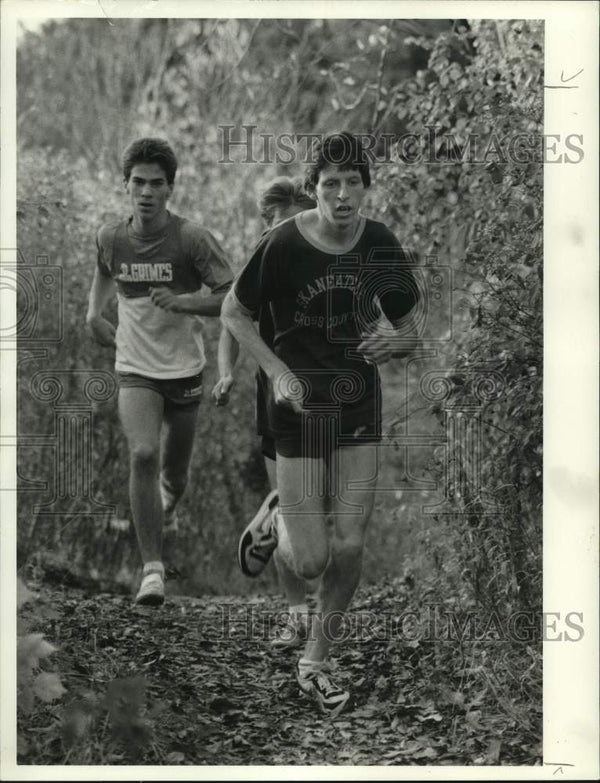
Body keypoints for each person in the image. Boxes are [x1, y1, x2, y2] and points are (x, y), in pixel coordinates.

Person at [221, 132, 421, 717]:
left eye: (352, 182)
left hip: (358, 405)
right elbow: (235, 312)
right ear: (314, 190)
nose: (341, 194)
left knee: (351, 544)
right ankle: (282, 513)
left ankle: (316, 663)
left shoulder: (380, 244)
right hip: (300, 410)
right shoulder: (282, 244)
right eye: (329, 184)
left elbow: (408, 326)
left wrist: (397, 340)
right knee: (309, 560)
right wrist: (278, 373)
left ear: (365, 188)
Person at [86, 137, 233, 606]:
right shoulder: (112, 236)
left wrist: (185, 300)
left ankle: (166, 503)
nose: (146, 192)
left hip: (185, 370)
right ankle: (153, 570)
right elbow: (104, 269)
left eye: (156, 183)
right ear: (125, 185)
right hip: (134, 367)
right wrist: (94, 312)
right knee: (143, 454)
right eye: (138, 183)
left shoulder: (192, 239)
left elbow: (233, 299)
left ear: (170, 188)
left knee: (175, 476)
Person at [211, 177, 319, 649]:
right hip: (274, 388)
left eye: (296, 222)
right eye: (277, 224)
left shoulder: (324, 256)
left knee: (323, 497)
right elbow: (231, 319)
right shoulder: (261, 258)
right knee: (286, 499)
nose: (284, 233)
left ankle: (278, 513)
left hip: (325, 385)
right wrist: (226, 373)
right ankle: (297, 614)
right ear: (266, 224)